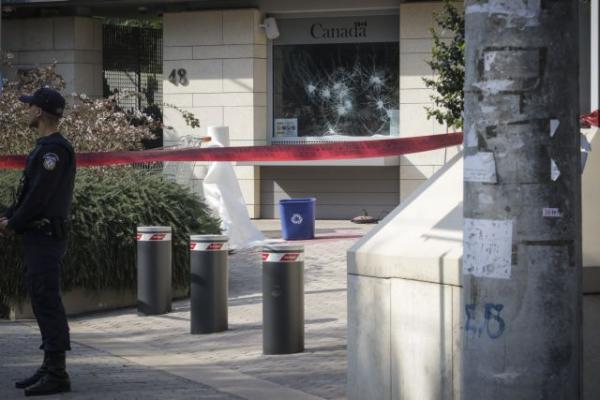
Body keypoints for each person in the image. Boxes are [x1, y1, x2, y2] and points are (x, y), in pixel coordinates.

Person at [0, 87, 76, 396]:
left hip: (45, 236)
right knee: (42, 299)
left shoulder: (53, 151)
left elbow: (39, 197)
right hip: (38, 236)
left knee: (47, 300)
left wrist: (13, 223)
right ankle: (49, 365)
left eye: (30, 106)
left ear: (39, 112)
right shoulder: (46, 148)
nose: (27, 110)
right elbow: (28, 194)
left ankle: (57, 372)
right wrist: (10, 216)